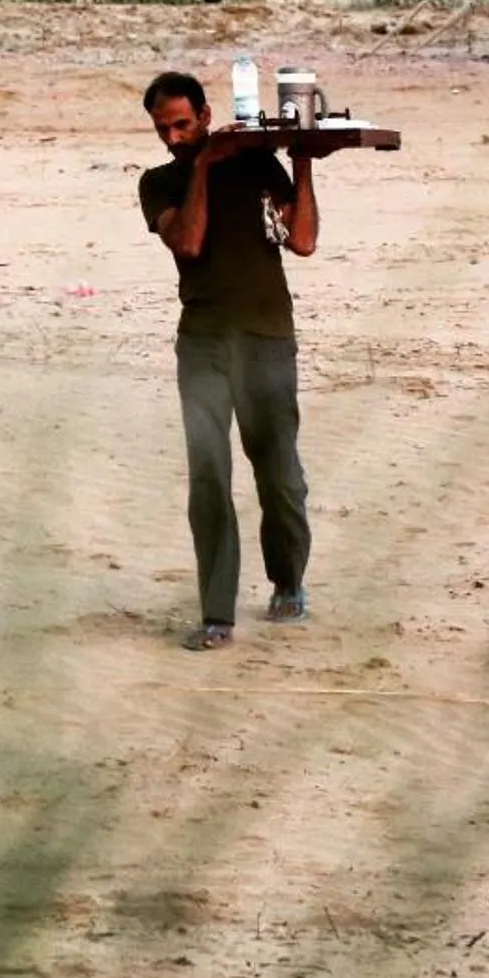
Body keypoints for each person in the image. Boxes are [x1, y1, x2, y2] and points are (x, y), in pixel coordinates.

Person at [137, 69, 324, 650]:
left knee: (280, 477)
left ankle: (288, 581)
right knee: (209, 477)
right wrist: (203, 165)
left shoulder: (257, 165)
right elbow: (188, 242)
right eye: (163, 129)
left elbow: (304, 240)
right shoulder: (160, 183)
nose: (172, 137)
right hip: (204, 346)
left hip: (268, 339)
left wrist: (303, 161)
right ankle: (217, 612)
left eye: (183, 125)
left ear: (206, 115)